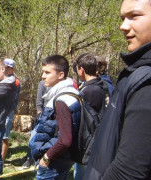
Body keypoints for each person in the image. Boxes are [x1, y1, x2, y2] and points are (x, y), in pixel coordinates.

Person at [83, 0, 151, 179]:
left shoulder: (147, 81)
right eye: (122, 18)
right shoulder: (136, 71)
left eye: (134, 16)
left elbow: (128, 172)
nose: (123, 26)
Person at [30, 55, 81, 180]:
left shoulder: (63, 100)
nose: (43, 76)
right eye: (43, 72)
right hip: (62, 159)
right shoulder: (71, 93)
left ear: (60, 75)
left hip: (54, 163)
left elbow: (65, 140)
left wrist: (46, 158)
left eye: (47, 72)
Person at [73, 53, 105, 180]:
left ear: (81, 69)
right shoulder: (101, 85)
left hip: (88, 143)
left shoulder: (90, 91)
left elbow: (87, 120)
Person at [22, 80, 48, 169]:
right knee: (34, 138)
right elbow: (39, 102)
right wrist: (40, 114)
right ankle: (29, 158)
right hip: (44, 115)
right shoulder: (43, 83)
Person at [1, 58, 21, 162]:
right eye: (4, 66)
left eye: (8, 68)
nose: (5, 69)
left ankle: (2, 160)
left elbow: (14, 99)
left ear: (12, 69)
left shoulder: (16, 82)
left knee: (4, 136)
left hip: (8, 111)